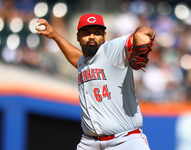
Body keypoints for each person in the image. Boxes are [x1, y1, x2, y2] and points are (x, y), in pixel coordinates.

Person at [37, 13, 154, 150]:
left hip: (125, 141)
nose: (92, 36)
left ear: (104, 36)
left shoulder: (111, 50)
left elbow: (145, 32)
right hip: (89, 143)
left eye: (97, 33)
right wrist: (55, 36)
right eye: (86, 33)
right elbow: (77, 58)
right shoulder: (84, 62)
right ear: (78, 37)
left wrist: (141, 33)